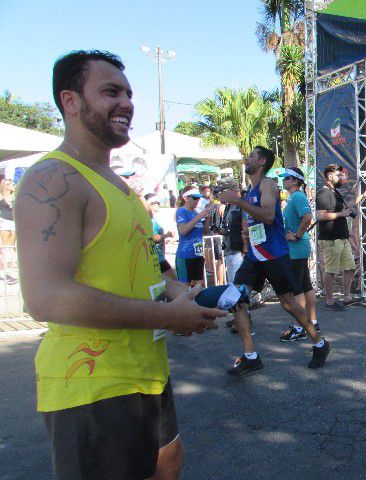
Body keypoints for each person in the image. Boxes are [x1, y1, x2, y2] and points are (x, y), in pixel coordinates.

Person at [15, 50, 226, 480]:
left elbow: (147, 258)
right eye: (110, 92)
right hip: (91, 386)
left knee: (168, 465)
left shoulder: (120, 185)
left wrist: (178, 294)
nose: (126, 103)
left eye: (129, 93)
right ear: (70, 101)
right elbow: (46, 297)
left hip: (146, 375)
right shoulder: (53, 178)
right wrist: (168, 315)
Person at [217, 146, 330, 374]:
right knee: (237, 299)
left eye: (250, 156)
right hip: (255, 255)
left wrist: (238, 202)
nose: (246, 159)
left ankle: (319, 343)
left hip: (274, 254)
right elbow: (257, 219)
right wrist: (247, 233)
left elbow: (268, 216)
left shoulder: (267, 184)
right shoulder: (250, 189)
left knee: (288, 304)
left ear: (261, 162)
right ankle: (251, 356)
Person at [278, 167, 320, 341]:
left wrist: (297, 235)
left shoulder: (297, 196)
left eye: (286, 178)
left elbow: (308, 216)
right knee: (305, 286)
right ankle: (312, 321)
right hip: (298, 248)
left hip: (296, 248)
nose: (283, 181)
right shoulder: (294, 197)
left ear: (295, 180)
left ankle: (300, 327)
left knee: (297, 289)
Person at [316, 163, 357, 310]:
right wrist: (341, 214)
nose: (341, 177)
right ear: (330, 176)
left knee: (350, 267)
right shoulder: (324, 192)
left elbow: (344, 208)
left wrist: (360, 198)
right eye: (339, 175)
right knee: (331, 270)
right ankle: (330, 301)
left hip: (342, 237)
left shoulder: (335, 192)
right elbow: (321, 216)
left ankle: (347, 297)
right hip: (330, 239)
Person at [176, 187, 212, 287]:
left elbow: (204, 231)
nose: (197, 201)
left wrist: (208, 218)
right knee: (185, 286)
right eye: (195, 198)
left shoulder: (195, 213)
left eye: (199, 198)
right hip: (186, 255)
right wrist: (199, 217)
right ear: (186, 198)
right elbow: (183, 230)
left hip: (198, 254)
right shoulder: (181, 211)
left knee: (198, 285)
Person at [147, 194, 176, 280]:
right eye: (156, 203)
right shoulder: (149, 220)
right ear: (149, 204)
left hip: (159, 257)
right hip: (156, 258)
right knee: (174, 281)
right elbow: (153, 237)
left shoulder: (152, 219)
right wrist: (167, 235)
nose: (158, 205)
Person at [0, 179, 16, 270]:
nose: (14, 186)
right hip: (5, 221)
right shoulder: (1, 196)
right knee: (5, 244)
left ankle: (12, 263)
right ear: (7, 186)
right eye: (12, 184)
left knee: (12, 243)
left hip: (13, 222)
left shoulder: (13, 196)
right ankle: (5, 263)